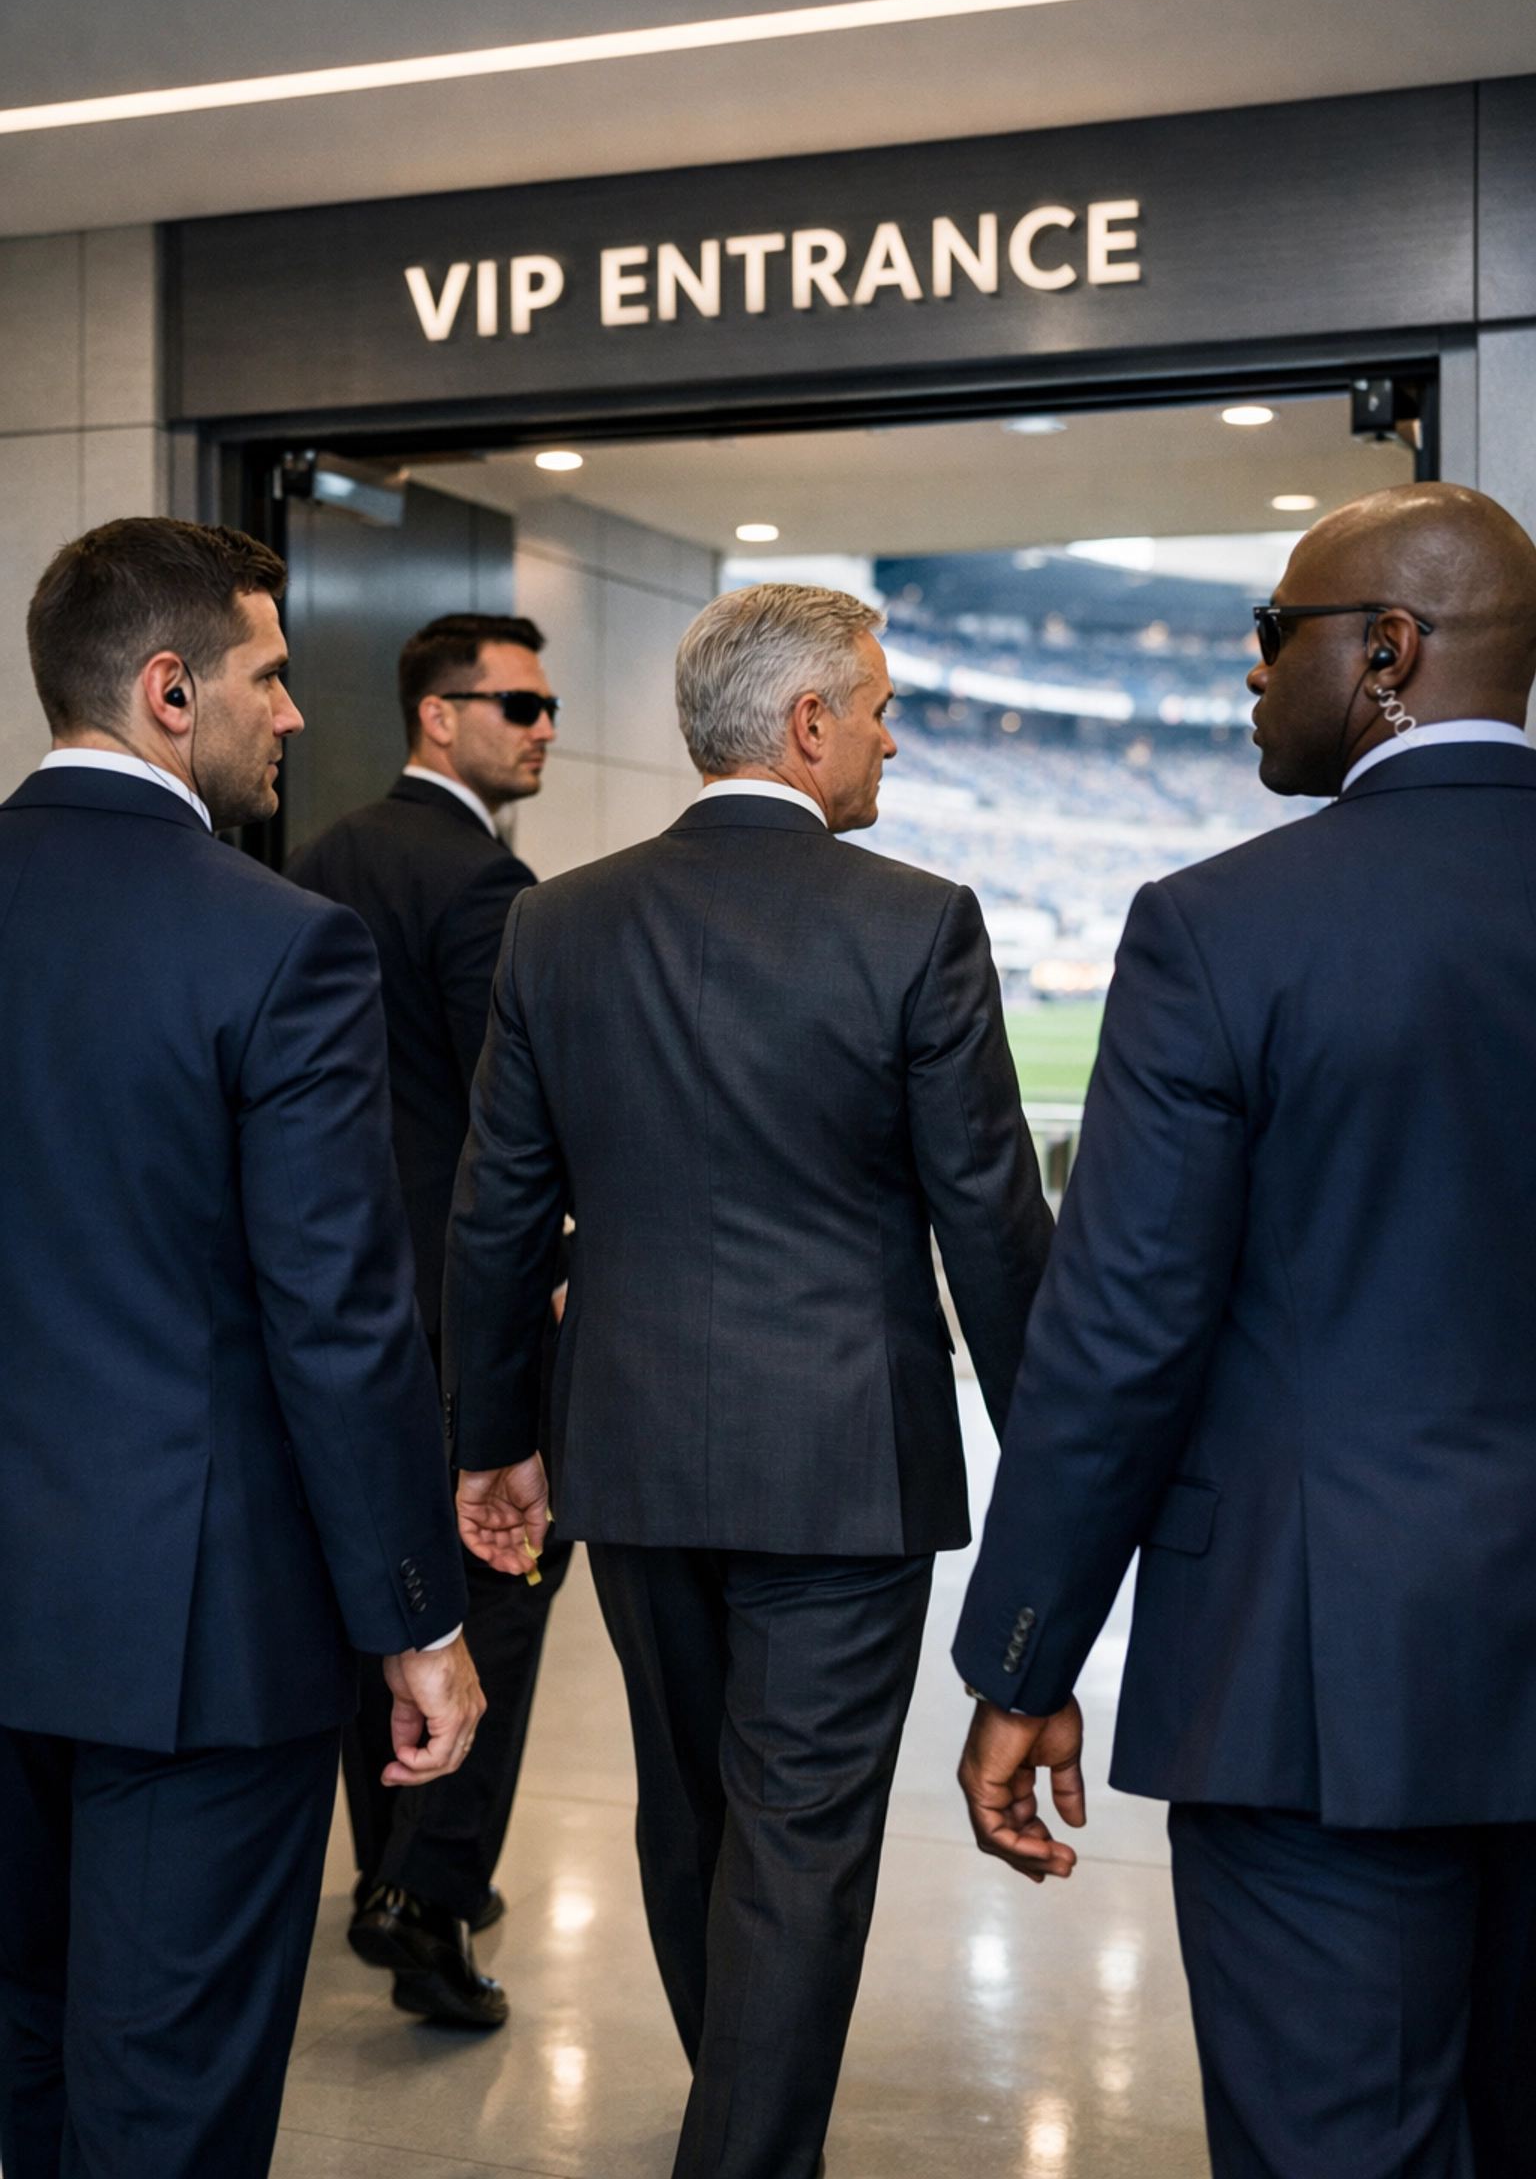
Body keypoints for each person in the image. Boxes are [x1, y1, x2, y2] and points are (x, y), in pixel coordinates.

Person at [954, 480, 1536, 2178]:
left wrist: (1021, 1661)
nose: (1252, 671)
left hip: (1316, 1678)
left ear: (1390, 655)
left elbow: (1123, 1340)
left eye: (1275, 633)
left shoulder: (1225, 927)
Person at [443, 582, 1055, 2179]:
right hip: (849, 1469)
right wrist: (1064, 1485)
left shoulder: (554, 920)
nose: (892, 731)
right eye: (878, 703)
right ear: (805, 725)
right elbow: (991, 1237)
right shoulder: (916, 921)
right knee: (795, 1849)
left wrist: (495, 1440)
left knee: (690, 1817)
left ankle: (740, 2123)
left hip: (630, 1456)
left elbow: (496, 1215)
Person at [0, 519, 481, 2179]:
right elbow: (338, 1322)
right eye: (269, 678)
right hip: (194, 1644)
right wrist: (419, 1623)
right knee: (168, 2110)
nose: (291, 715)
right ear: (164, 689)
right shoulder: (278, 943)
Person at [287, 612, 571, 2027]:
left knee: (380, 1589)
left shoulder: (322, 856)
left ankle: (386, 1864)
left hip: (349, 1302)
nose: (541, 726)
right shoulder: (482, 883)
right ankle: (432, 1886)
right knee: (499, 1597)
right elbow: (509, 1136)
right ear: (435, 715)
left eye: (548, 703)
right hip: (469, 1315)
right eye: (515, 703)